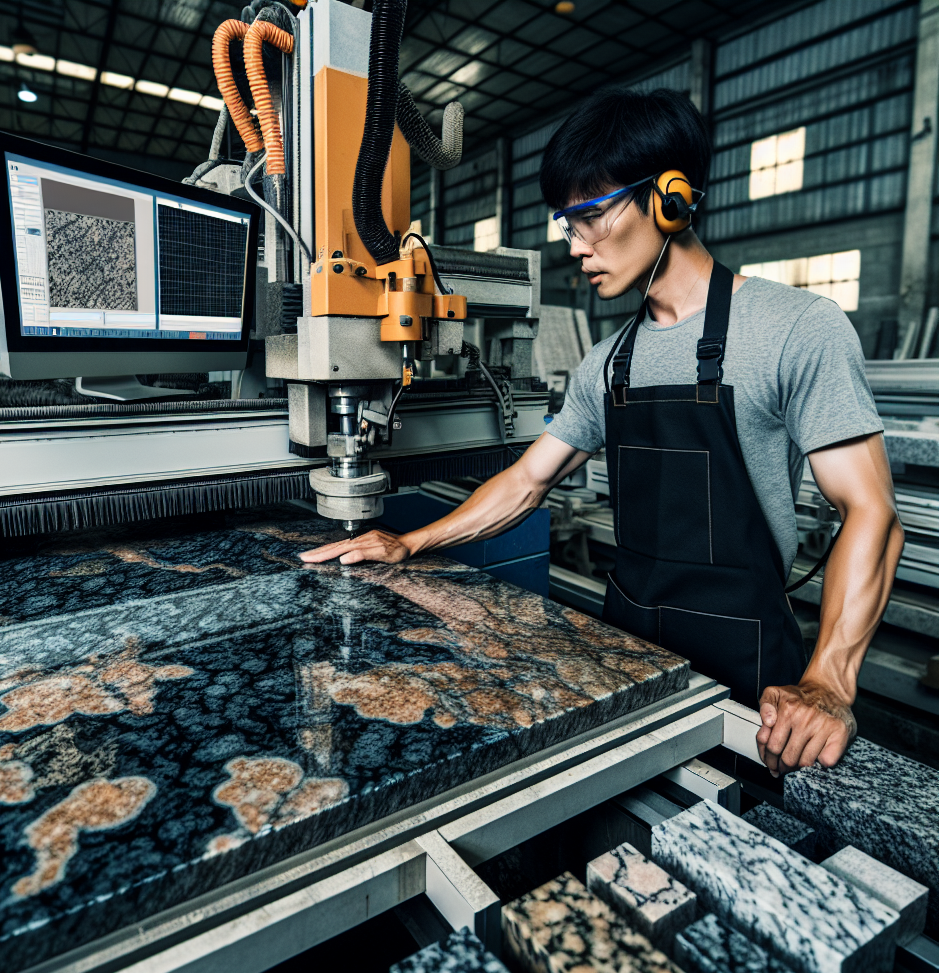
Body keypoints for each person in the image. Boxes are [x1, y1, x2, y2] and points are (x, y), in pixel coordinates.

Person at [303, 88, 904, 777]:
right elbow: (528, 481)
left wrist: (828, 680)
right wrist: (410, 541)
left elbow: (873, 512)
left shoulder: (795, 328)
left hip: (749, 672)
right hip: (626, 656)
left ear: (672, 198)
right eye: (567, 226)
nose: (578, 248)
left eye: (591, 217)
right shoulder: (609, 361)